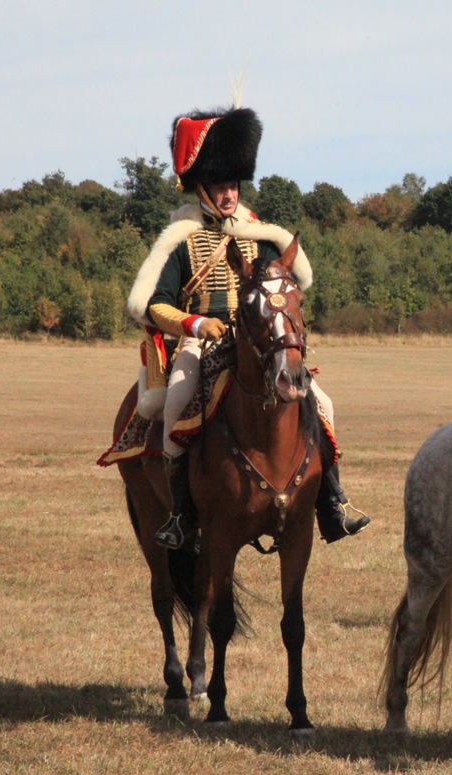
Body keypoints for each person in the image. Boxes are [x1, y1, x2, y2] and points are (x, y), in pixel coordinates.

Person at [124, 104, 369, 549]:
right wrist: (196, 324)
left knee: (323, 405)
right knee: (177, 402)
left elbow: (289, 285)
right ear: (201, 188)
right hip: (199, 344)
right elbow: (152, 306)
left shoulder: (260, 235)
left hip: (257, 342)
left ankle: (331, 503)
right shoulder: (180, 239)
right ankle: (181, 515)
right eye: (220, 187)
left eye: (233, 186)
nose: (229, 195)